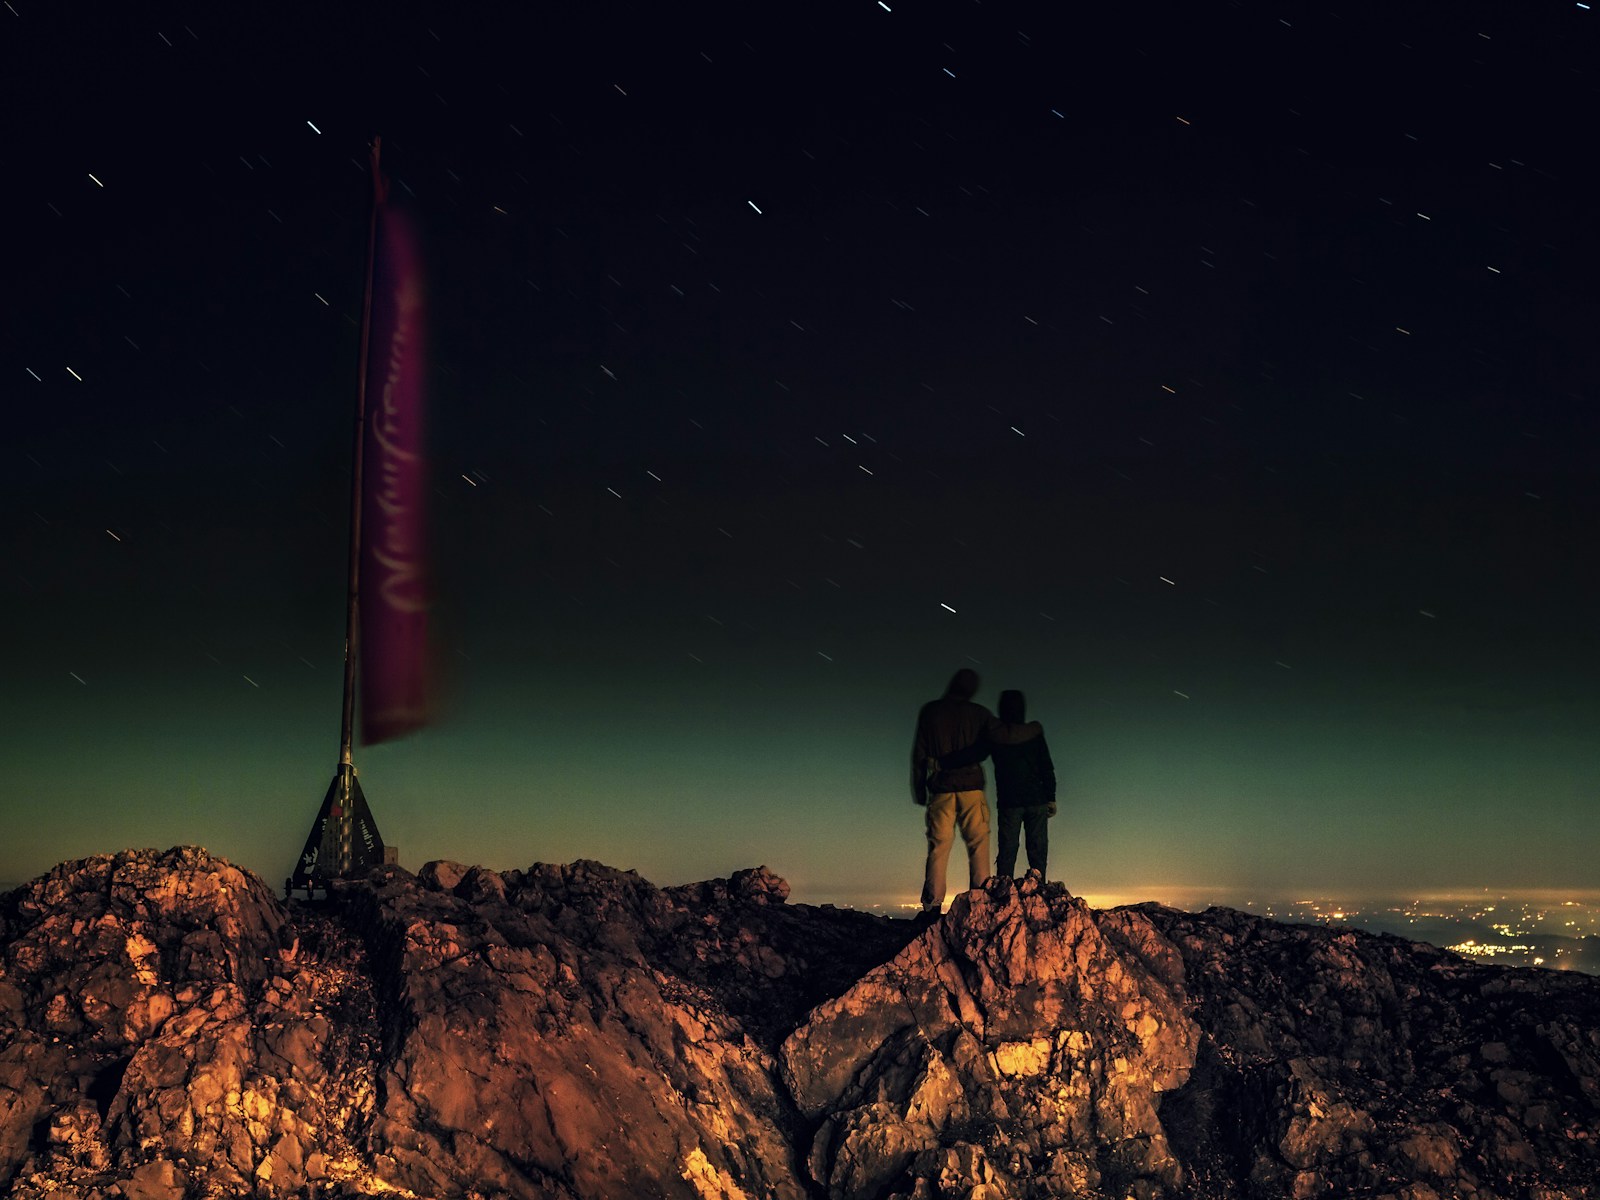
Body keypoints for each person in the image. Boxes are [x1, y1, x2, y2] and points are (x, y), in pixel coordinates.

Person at [909, 669, 1039, 916]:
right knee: (979, 845)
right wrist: (1033, 728)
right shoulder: (978, 714)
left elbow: (919, 754)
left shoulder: (931, 712)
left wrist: (919, 789)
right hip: (971, 788)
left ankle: (932, 906)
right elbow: (1007, 735)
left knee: (939, 846)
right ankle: (980, 903)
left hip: (941, 790)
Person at [986, 690, 1056, 879]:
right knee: (1037, 848)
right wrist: (1051, 797)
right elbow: (1046, 766)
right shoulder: (1034, 732)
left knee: (1007, 849)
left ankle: (1004, 891)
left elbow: (975, 753)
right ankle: (1038, 889)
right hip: (1037, 798)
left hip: (1010, 801)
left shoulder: (996, 735)